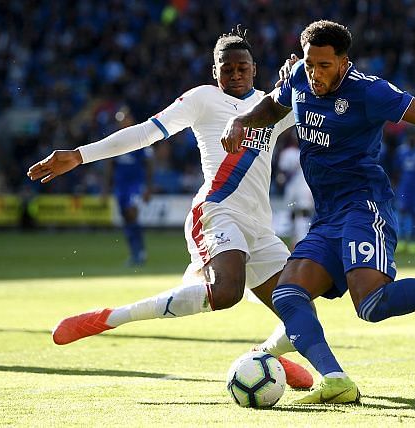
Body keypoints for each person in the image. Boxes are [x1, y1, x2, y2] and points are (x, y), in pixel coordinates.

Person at [221, 20, 415, 404]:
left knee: (371, 305)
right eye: (309, 64)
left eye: (324, 65)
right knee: (288, 295)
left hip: (364, 205)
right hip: (326, 217)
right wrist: (241, 120)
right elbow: (273, 107)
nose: (314, 73)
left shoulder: (369, 91)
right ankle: (336, 378)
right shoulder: (297, 80)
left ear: (343, 62)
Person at [27, 27, 313, 389]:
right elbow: (146, 132)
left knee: (300, 313)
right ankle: (109, 318)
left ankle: (265, 357)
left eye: (243, 67)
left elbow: (316, 105)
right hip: (216, 211)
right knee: (227, 293)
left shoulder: (270, 106)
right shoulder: (203, 99)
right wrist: (80, 155)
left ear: (255, 68)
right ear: (215, 72)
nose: (236, 74)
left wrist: (303, 77)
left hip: (260, 225)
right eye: (228, 68)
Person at [103, 105, 154, 266]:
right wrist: (106, 188)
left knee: (131, 213)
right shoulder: (116, 140)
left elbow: (149, 164)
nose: (123, 122)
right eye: (120, 120)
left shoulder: (139, 138)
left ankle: (140, 252)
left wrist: (148, 187)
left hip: (135, 184)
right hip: (121, 185)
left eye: (125, 119)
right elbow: (110, 165)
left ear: (131, 120)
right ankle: (135, 252)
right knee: (126, 217)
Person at [277, 138, 315, 248]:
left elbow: (282, 174)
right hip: (301, 186)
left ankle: (299, 241)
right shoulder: (300, 153)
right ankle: (297, 240)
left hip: (299, 187)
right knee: (297, 214)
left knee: (300, 213)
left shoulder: (290, 152)